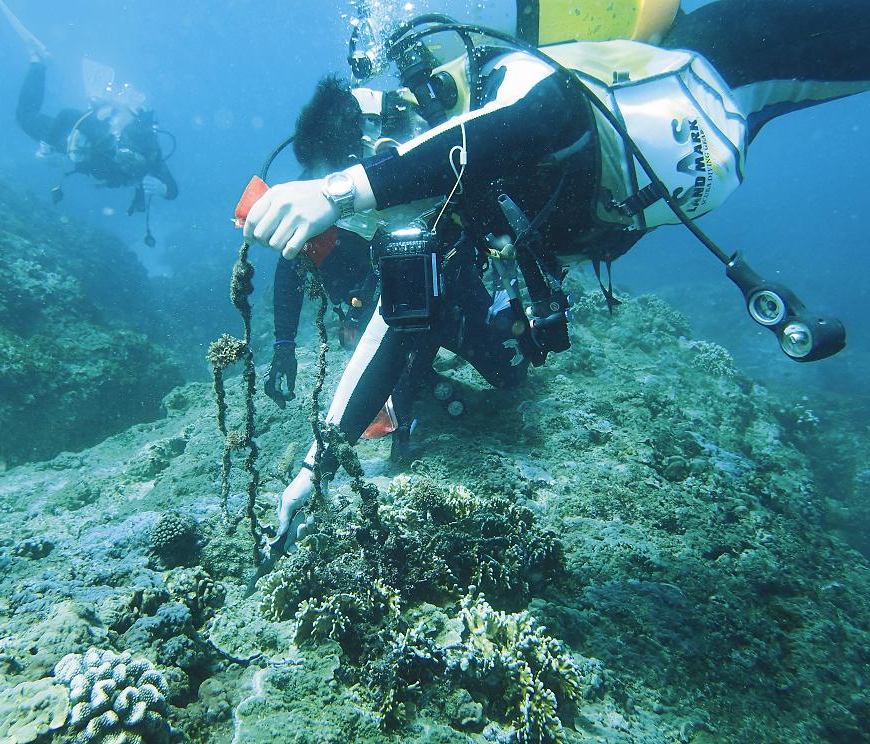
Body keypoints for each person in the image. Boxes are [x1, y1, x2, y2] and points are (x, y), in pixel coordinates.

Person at [244, 0, 870, 554]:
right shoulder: (460, 209)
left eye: (384, 192)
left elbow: (542, 115)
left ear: (388, 139)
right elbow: (393, 328)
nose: (391, 218)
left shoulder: (504, 79)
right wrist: (315, 469)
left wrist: (343, 192)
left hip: (725, 54)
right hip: (722, 135)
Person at [267, 76, 524, 461]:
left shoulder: (421, 154)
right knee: (383, 357)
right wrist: (284, 344)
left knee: (511, 375)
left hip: (449, 292)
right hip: (374, 307)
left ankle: (471, 329)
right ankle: (411, 380)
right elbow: (291, 264)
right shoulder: (320, 191)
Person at [16, 55, 178, 215]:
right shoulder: (106, 135)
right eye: (127, 158)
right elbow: (66, 115)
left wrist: (162, 189)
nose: (127, 164)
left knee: (25, 116)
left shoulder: (151, 153)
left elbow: (173, 190)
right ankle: (37, 62)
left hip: (83, 154)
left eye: (131, 164)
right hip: (70, 140)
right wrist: (47, 146)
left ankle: (38, 64)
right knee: (25, 117)